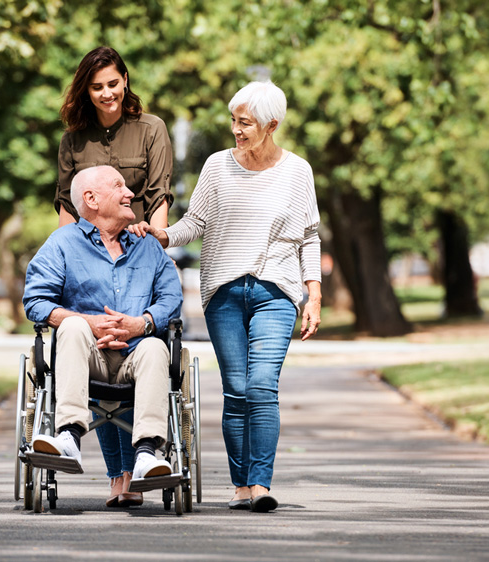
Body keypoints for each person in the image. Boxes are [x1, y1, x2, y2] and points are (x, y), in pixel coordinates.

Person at [130, 81, 322, 513]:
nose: (236, 129)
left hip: (276, 290)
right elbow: (195, 221)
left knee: (261, 386)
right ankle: (240, 486)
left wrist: (314, 296)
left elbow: (309, 237)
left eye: (245, 123)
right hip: (223, 292)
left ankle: (260, 483)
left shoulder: (297, 171)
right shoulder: (217, 167)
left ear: (271, 125)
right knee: (236, 389)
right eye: (234, 120)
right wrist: (163, 234)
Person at [54, 45, 175, 507]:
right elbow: (69, 207)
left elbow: (160, 194)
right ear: (86, 89)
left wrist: (156, 246)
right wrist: (70, 259)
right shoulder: (73, 139)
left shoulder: (151, 130)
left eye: (114, 83)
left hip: (139, 250)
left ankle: (139, 461)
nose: (107, 93)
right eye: (97, 86)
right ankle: (118, 473)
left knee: (136, 344)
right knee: (92, 330)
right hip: (91, 251)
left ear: (126, 80)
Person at [24, 165, 183, 504]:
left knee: (156, 347)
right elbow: (35, 300)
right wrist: (87, 322)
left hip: (136, 356)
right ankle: (68, 437)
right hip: (88, 357)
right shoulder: (62, 243)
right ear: (91, 199)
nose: (130, 194)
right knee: (73, 325)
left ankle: (145, 455)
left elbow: (172, 298)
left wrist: (142, 323)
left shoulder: (147, 245)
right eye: (119, 186)